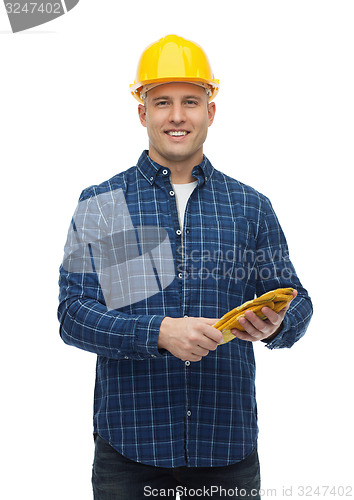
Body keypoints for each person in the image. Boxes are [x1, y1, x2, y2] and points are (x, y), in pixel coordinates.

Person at [58, 34, 313, 499]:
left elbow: (297, 300)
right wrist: (158, 333)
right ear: (142, 112)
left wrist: (276, 323)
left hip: (226, 448)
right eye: (162, 102)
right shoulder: (101, 204)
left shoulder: (250, 207)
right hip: (129, 448)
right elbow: (73, 315)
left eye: (191, 101)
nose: (177, 116)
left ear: (210, 111)